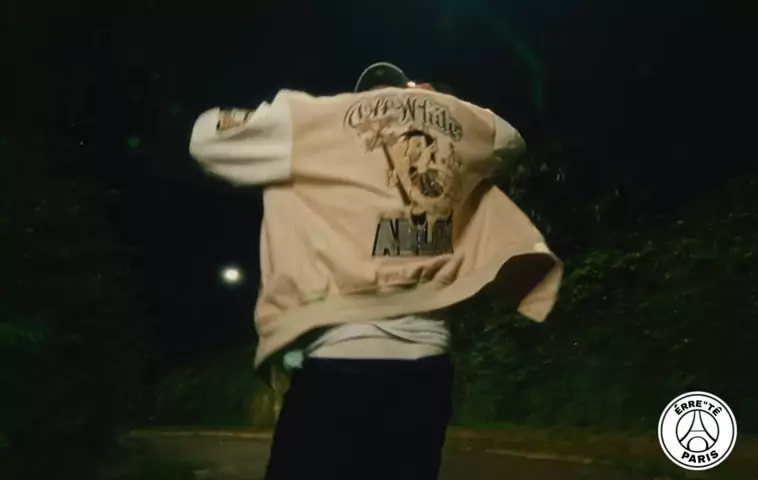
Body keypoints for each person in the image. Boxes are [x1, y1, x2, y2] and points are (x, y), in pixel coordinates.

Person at [188, 61, 563, 480]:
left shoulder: (318, 121)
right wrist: (442, 106)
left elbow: (206, 137)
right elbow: (510, 141)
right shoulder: (453, 124)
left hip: (339, 359)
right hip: (427, 368)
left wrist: (284, 120)